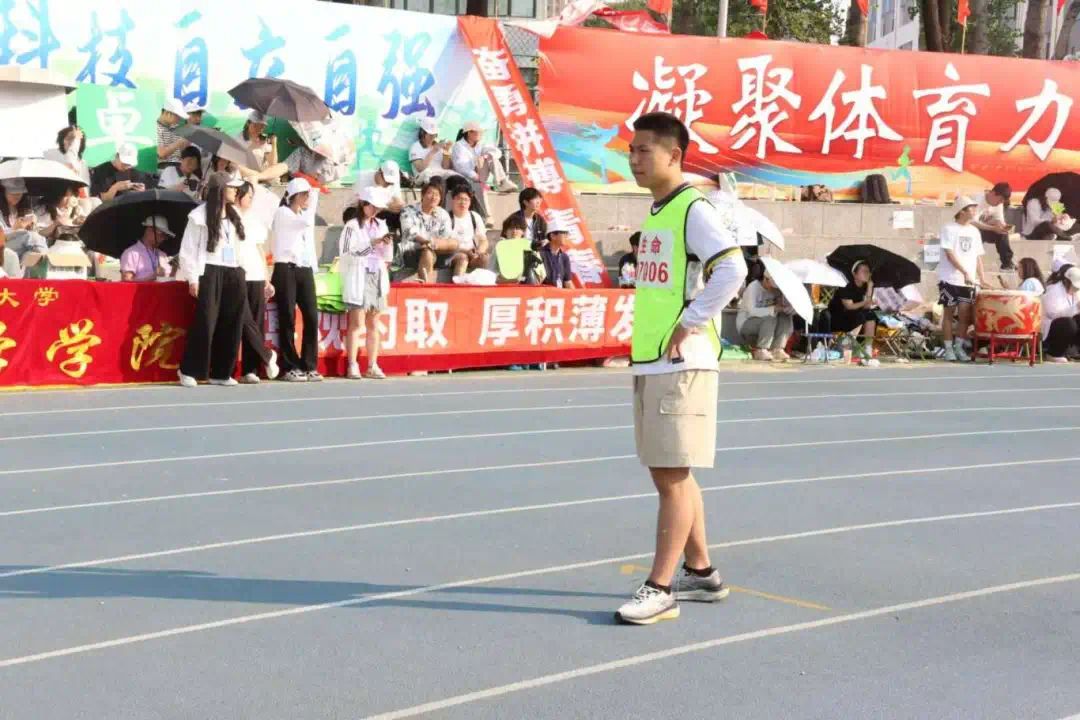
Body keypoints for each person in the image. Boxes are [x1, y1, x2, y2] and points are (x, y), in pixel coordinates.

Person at [617, 111, 747, 626]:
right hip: (654, 360)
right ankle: (700, 572)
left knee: (672, 476)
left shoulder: (693, 209)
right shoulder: (659, 212)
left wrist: (691, 321)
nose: (634, 159)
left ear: (675, 155)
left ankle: (660, 587)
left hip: (681, 363)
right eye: (631, 150)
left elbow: (732, 268)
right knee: (671, 472)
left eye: (644, 150)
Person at [177, 173, 248, 387]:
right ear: (221, 190)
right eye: (232, 187)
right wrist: (192, 278)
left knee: (232, 322)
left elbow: (241, 246)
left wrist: (242, 270)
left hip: (234, 269)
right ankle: (188, 370)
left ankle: (221, 372)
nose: (236, 191)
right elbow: (188, 249)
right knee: (206, 321)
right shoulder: (199, 216)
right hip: (209, 269)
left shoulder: (235, 214)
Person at [270, 178, 322, 383]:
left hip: (304, 268)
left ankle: (309, 364)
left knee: (311, 316)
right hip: (286, 269)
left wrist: (313, 267)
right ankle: (290, 365)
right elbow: (306, 222)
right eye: (305, 194)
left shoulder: (302, 214)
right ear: (295, 196)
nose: (308, 198)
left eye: (308, 195)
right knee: (287, 318)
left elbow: (308, 242)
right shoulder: (283, 213)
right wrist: (315, 196)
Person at [340, 186, 393, 380]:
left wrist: (386, 245)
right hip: (358, 274)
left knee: (374, 323)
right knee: (357, 323)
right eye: (372, 206)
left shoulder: (381, 225)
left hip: (377, 274)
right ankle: (352, 364)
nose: (375, 211)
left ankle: (372, 364)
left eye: (378, 207)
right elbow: (346, 252)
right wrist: (371, 244)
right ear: (363, 204)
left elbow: (387, 255)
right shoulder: (352, 226)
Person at [234, 181, 279, 384]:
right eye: (248, 196)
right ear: (238, 195)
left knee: (256, 322)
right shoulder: (230, 217)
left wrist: (266, 278)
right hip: (237, 274)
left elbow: (260, 249)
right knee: (244, 320)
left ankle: (250, 369)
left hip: (256, 274)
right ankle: (266, 355)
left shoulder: (255, 219)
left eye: (253, 196)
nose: (251, 200)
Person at [938, 195, 989, 362]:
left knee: (965, 315)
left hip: (968, 281)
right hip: (950, 279)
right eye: (971, 208)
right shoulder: (948, 228)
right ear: (962, 211)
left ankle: (959, 347)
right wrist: (964, 271)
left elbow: (978, 256)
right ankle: (948, 348)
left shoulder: (974, 231)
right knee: (948, 314)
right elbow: (949, 254)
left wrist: (982, 277)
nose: (974, 211)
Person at [451, 120, 516, 219]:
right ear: (469, 133)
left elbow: (497, 152)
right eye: (478, 132)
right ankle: (487, 216)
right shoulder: (459, 146)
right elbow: (461, 167)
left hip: (480, 174)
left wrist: (485, 156)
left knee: (491, 157)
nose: (481, 134)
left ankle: (502, 182)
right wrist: (476, 177)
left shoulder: (481, 144)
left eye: (481, 132)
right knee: (480, 187)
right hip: (466, 178)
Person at [400, 180, 455, 283]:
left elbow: (447, 237)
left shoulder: (442, 213)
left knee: (455, 244)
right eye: (430, 193)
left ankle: (459, 285)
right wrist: (426, 242)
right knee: (427, 253)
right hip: (412, 252)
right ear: (422, 195)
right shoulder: (408, 210)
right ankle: (425, 285)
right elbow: (411, 233)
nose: (434, 197)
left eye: (437, 195)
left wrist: (433, 244)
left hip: (437, 250)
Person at [828, 260, 878, 365]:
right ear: (855, 274)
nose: (867, 274)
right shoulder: (846, 286)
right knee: (860, 316)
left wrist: (870, 288)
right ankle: (847, 344)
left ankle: (868, 347)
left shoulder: (866, 286)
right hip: (839, 316)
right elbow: (849, 306)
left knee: (871, 315)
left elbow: (866, 307)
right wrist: (866, 301)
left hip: (856, 316)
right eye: (863, 271)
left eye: (868, 271)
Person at [737, 273, 795, 361]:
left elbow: (781, 307)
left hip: (768, 325)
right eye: (773, 286)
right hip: (747, 323)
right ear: (765, 279)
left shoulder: (777, 291)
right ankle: (761, 350)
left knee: (785, 317)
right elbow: (752, 311)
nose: (774, 289)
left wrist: (785, 307)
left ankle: (778, 349)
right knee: (770, 318)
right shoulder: (753, 288)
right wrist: (773, 309)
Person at [0, 178, 48, 269]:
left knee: (30, 252)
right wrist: (15, 229)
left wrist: (32, 226)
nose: (17, 196)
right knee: (30, 237)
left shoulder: (25, 210)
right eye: (13, 192)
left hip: (20, 247)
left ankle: (26, 274)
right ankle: (48, 263)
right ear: (3, 192)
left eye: (20, 192)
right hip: (3, 247)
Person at [447, 185, 489, 277]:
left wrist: (479, 252)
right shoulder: (447, 217)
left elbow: (483, 240)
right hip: (453, 255)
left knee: (484, 258)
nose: (463, 202)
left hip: (472, 254)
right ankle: (458, 284)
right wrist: (466, 252)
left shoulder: (474, 216)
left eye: (466, 200)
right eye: (459, 199)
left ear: (470, 202)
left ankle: (479, 285)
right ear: (453, 200)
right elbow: (446, 244)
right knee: (463, 258)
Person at [972, 182, 1015, 270]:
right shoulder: (977, 199)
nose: (1000, 203)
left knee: (1002, 233)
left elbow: (999, 219)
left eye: (1002, 201)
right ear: (992, 193)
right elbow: (972, 222)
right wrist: (993, 228)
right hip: (971, 230)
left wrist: (1003, 226)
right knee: (976, 231)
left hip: (985, 229)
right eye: (1000, 200)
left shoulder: (999, 204)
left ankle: (1007, 263)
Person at [1041, 266, 1080, 362]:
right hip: (1050, 328)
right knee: (1068, 323)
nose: (1076, 288)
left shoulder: (1075, 292)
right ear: (1066, 281)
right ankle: (1053, 353)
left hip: (1067, 327)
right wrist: (1076, 308)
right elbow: (1053, 314)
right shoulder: (1054, 290)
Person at [120, 216, 172, 282]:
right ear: (149, 230)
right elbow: (127, 281)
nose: (163, 239)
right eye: (162, 235)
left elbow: (169, 279)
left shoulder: (162, 254)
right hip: (142, 289)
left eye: (165, 236)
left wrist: (174, 269)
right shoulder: (131, 253)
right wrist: (153, 276)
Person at [409, 117, 456, 184]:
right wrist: (433, 151)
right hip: (425, 176)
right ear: (422, 133)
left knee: (456, 176)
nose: (433, 137)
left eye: (435, 134)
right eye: (430, 135)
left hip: (441, 174)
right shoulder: (416, 147)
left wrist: (446, 151)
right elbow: (420, 169)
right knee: (428, 175)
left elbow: (445, 167)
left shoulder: (439, 145)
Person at [239, 111, 278, 176]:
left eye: (262, 126)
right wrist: (259, 176)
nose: (259, 129)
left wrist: (274, 144)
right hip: (248, 177)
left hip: (262, 176)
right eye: (256, 125)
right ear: (248, 123)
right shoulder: (238, 138)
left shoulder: (264, 140)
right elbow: (238, 167)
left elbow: (273, 164)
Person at [156, 98, 189, 168]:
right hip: (163, 166)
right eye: (178, 116)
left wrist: (186, 143)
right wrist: (180, 142)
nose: (179, 119)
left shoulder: (176, 127)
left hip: (179, 165)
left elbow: (181, 150)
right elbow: (161, 153)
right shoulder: (154, 128)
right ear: (168, 113)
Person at [540, 223, 573, 288]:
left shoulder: (564, 257)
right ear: (553, 236)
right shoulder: (540, 254)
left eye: (567, 234)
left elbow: (567, 282)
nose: (567, 236)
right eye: (564, 233)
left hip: (559, 293)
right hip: (544, 292)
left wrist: (576, 293)